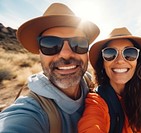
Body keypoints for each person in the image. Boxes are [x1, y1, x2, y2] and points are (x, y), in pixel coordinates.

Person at [0, 3, 99, 133]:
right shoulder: (29, 112)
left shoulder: (87, 80)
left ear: (87, 53)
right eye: (50, 44)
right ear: (40, 53)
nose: (66, 54)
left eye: (78, 43)